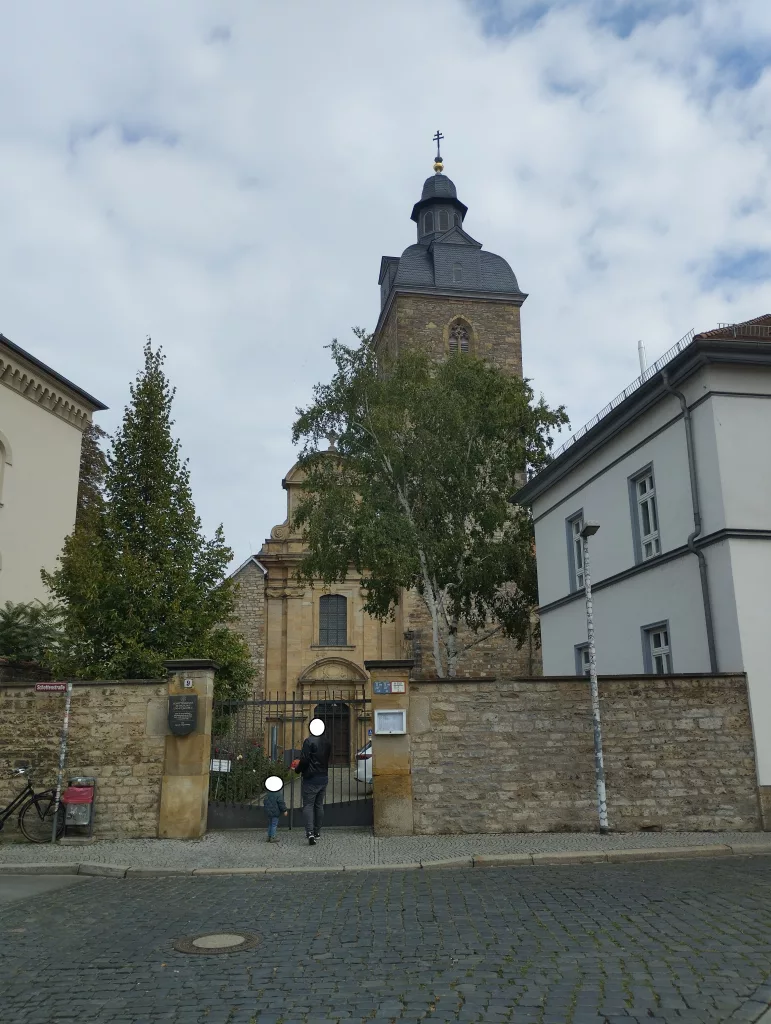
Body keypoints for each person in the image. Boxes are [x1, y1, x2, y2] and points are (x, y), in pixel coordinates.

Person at [292, 718, 331, 845]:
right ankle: (317, 831)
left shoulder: (308, 741)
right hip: (323, 777)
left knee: (308, 805)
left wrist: (297, 770)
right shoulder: (327, 741)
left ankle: (310, 833)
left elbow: (304, 760)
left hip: (311, 778)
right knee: (319, 805)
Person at [262, 777, 288, 843]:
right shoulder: (278, 794)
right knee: (274, 825)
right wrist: (284, 810)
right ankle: (273, 837)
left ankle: (269, 836)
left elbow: (264, 802)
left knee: (270, 824)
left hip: (268, 812)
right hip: (275, 813)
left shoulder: (267, 794)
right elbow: (281, 803)